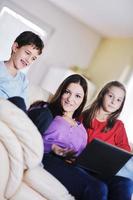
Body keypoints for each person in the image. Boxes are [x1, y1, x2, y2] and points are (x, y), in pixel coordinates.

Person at [28, 74, 108, 200]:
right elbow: (28, 136)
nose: (70, 99)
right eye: (67, 92)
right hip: (46, 158)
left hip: (70, 166)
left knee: (118, 184)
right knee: (98, 188)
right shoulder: (46, 110)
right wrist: (52, 147)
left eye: (77, 96)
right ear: (61, 92)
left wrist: (75, 159)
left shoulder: (82, 130)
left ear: (82, 100)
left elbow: (80, 157)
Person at [82, 80, 133, 200]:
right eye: (111, 96)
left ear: (121, 104)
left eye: (119, 100)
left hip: (106, 172)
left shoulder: (118, 126)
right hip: (85, 169)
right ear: (102, 95)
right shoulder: (84, 117)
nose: (113, 102)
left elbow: (125, 151)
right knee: (100, 188)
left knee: (126, 184)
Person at [0, 31, 44, 110]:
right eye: (27, 53)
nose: (28, 60)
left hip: (15, 113)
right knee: (18, 101)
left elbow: (23, 107)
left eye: (33, 58)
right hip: (4, 109)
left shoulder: (23, 80)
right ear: (15, 47)